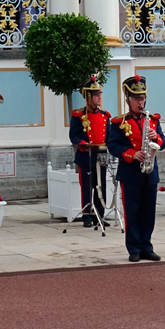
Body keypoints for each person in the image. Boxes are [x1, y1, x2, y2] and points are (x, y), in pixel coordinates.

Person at [106, 74, 165, 263]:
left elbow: (163, 142)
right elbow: (113, 145)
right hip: (131, 172)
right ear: (127, 100)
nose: (140, 103)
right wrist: (132, 154)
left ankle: (146, 246)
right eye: (136, 99)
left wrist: (155, 136)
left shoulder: (153, 121)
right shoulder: (118, 123)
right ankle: (133, 248)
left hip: (150, 172)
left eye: (142, 99)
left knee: (148, 212)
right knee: (132, 212)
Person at [70, 74, 112, 228]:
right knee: (87, 187)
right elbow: (73, 135)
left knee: (101, 187)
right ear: (88, 97)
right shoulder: (79, 115)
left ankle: (99, 216)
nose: (99, 98)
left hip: (101, 155)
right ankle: (87, 215)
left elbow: (109, 135)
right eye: (96, 95)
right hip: (86, 156)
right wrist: (83, 144)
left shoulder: (105, 116)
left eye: (99, 94)